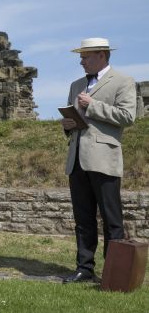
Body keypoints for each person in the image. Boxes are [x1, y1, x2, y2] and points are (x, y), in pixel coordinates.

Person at [61, 38, 136, 283]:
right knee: (83, 221)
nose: (81, 61)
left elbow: (127, 116)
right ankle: (84, 268)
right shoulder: (76, 85)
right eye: (81, 57)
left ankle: (113, 272)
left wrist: (94, 106)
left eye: (85, 56)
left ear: (102, 55)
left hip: (104, 159)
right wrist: (68, 125)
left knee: (112, 221)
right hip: (76, 161)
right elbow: (77, 122)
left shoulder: (123, 82)